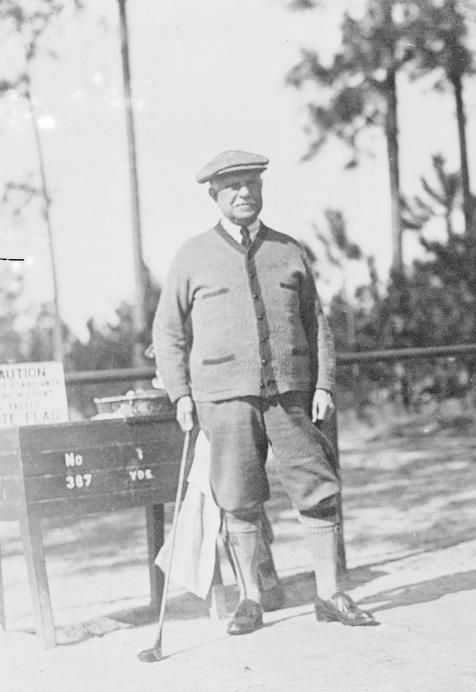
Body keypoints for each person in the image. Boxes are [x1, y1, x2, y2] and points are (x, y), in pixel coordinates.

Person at [152, 150, 377, 635]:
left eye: (251, 184)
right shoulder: (192, 255)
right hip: (223, 398)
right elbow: (167, 331)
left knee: (316, 487)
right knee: (236, 496)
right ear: (214, 195)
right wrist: (181, 395)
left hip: (292, 395)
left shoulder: (289, 250)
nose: (243, 194)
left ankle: (330, 593)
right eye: (232, 187)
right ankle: (250, 599)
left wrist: (323, 382)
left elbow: (317, 325)